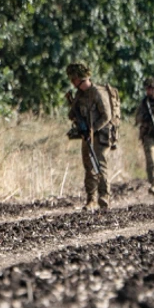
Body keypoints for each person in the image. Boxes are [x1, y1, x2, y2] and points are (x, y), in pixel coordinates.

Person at [66, 62, 114, 210]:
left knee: (99, 164)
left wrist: (93, 129)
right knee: (88, 166)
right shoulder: (79, 95)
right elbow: (72, 114)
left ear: (80, 78)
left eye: (73, 79)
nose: (72, 82)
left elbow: (107, 116)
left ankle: (104, 196)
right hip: (86, 135)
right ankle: (91, 199)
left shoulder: (97, 92)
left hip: (101, 135)